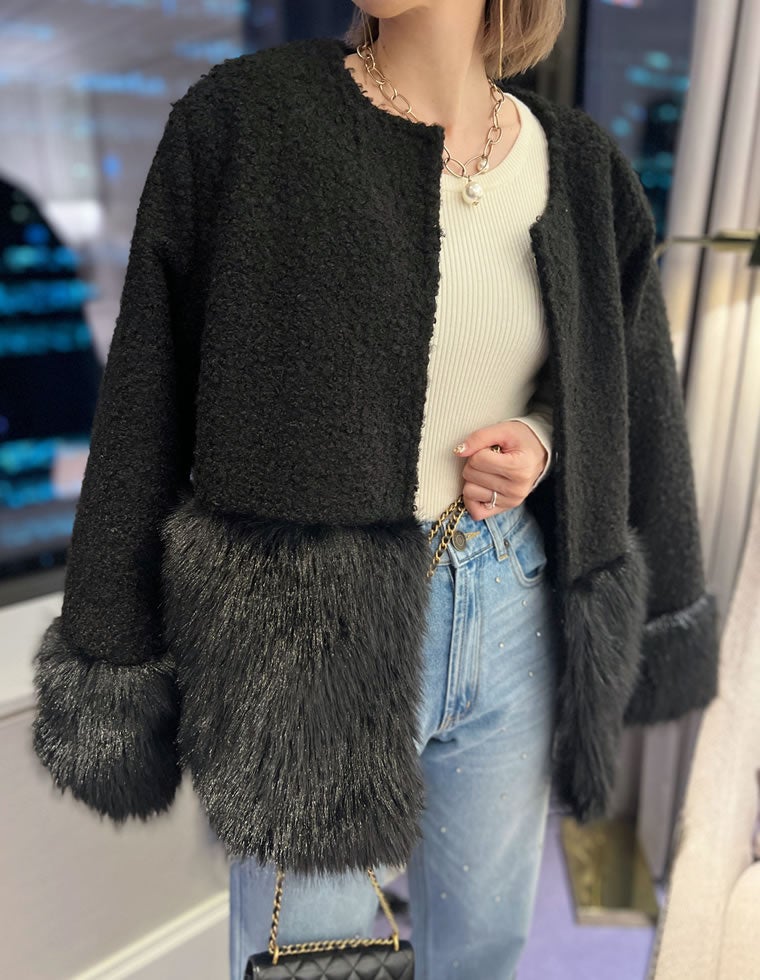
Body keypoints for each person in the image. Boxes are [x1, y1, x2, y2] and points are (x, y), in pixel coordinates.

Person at [29, 2, 720, 979]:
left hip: (513, 602)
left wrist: (540, 438)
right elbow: (148, 389)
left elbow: (619, 381)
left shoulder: (578, 165)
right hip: (310, 625)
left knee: (481, 948)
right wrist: (111, 640)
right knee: (311, 957)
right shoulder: (252, 120)